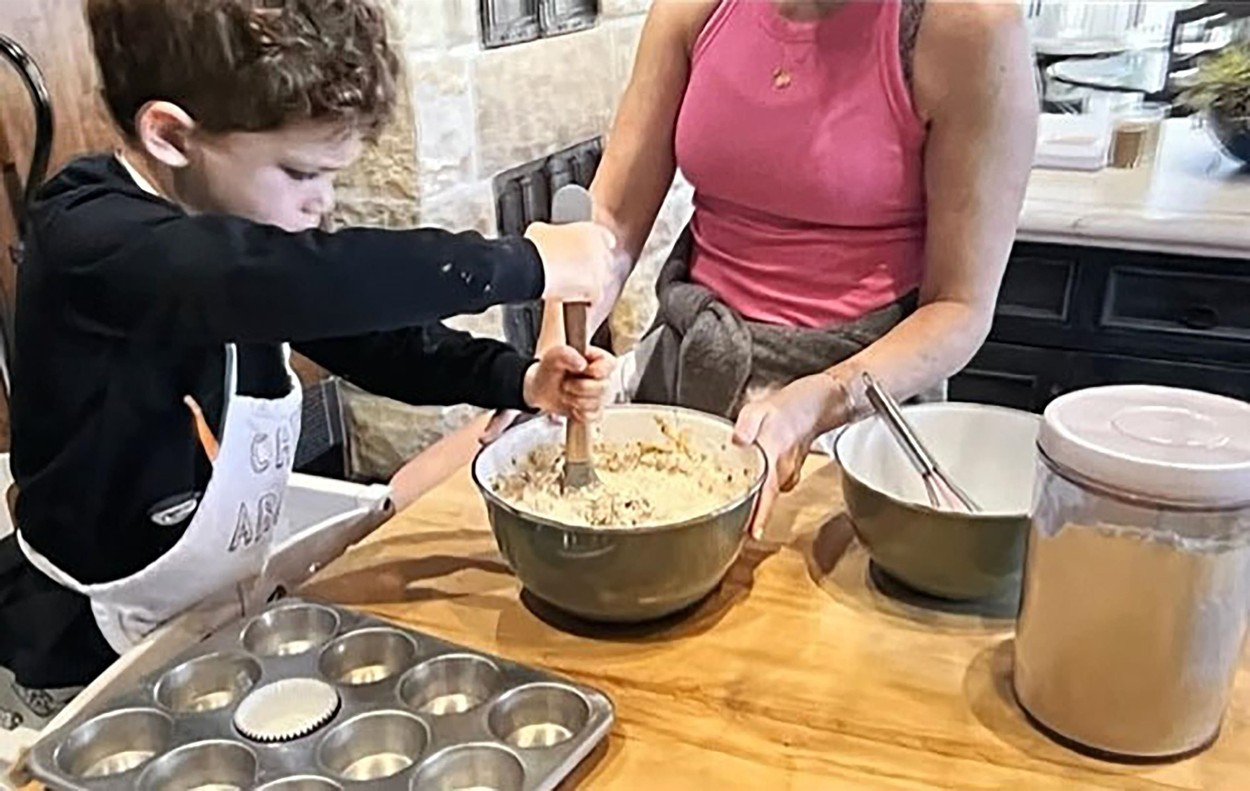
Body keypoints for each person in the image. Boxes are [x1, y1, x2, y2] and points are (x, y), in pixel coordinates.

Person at [0, 0, 616, 726]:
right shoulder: (91, 238)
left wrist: (516, 377)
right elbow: (288, 279)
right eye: (299, 172)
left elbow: (374, 339)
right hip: (77, 645)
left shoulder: (231, 226)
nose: (320, 206)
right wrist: (525, 264)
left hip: (201, 612)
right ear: (170, 135)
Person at [526, 0, 1039, 530]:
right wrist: (549, 357)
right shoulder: (695, 9)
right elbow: (611, 222)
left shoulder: (968, 25)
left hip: (857, 408)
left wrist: (820, 402)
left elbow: (958, 307)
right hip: (688, 372)